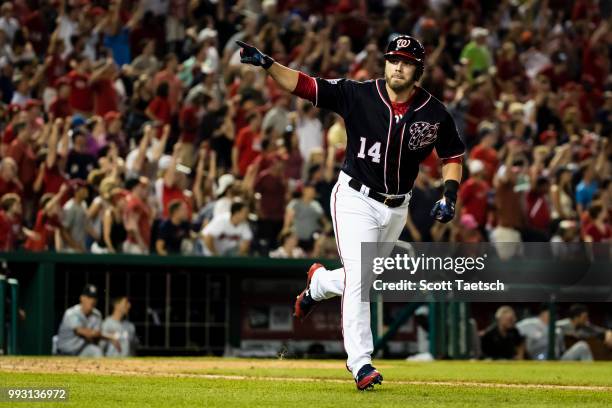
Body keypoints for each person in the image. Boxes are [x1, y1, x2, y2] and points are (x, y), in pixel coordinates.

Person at [236, 34, 464, 389]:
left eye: (406, 61)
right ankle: (361, 364)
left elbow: (452, 156)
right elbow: (306, 86)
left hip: (397, 206)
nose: (398, 66)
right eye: (393, 59)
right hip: (355, 197)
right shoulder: (359, 94)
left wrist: (450, 194)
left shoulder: (434, 112)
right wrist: (268, 64)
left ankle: (320, 283)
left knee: (362, 279)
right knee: (360, 278)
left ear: (418, 69)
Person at [56, 284, 120, 357]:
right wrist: (109, 337)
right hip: (64, 353)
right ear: (82, 298)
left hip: (80, 351)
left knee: (96, 351)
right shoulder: (71, 313)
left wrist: (99, 335)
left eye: (94, 298)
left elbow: (95, 337)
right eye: (89, 297)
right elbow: (83, 332)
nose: (92, 300)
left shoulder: (97, 315)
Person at [516, 305, 592, 361]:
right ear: (543, 313)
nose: (554, 315)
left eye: (555, 313)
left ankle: (590, 374)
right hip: (539, 361)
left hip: (558, 361)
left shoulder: (556, 326)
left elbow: (571, 323)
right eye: (551, 312)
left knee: (582, 346)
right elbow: (514, 328)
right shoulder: (530, 323)